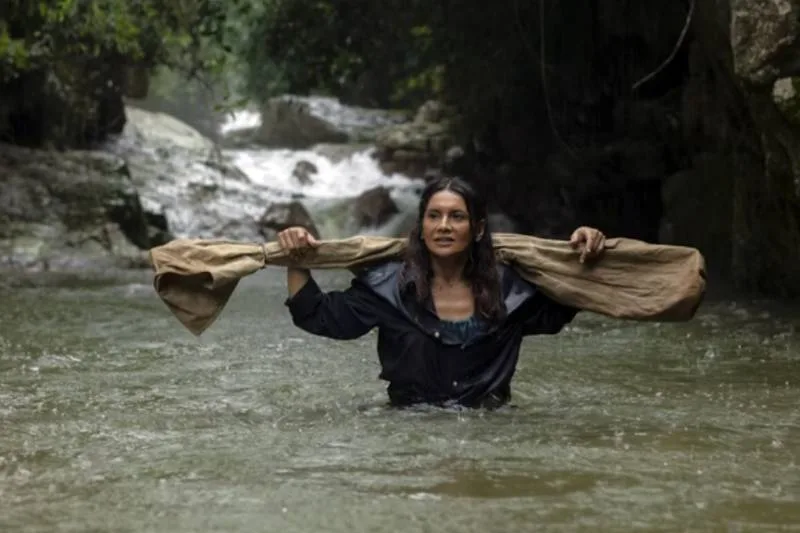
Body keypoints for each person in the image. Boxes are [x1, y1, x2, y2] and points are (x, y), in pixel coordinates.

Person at [278, 177, 606, 409]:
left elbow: (571, 296)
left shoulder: (513, 290)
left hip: (493, 434)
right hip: (410, 437)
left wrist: (584, 249)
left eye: (457, 217)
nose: (444, 225)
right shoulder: (388, 287)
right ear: (421, 226)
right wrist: (296, 257)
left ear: (478, 229)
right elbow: (316, 314)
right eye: (434, 216)